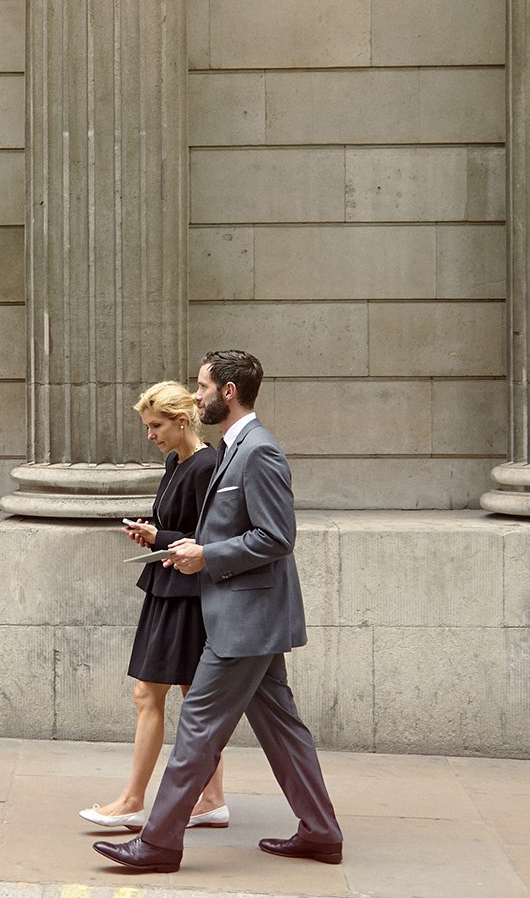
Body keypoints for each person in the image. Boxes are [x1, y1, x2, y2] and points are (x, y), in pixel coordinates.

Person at [93, 350, 344, 873]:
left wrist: (206, 555)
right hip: (248, 617)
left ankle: (158, 843)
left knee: (199, 726)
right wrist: (179, 545)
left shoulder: (259, 451)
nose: (198, 394)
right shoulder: (235, 449)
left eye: (203, 386)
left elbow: (277, 537)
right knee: (283, 730)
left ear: (229, 392)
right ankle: (321, 832)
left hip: (246, 621)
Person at [79, 381, 228, 832]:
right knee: (187, 695)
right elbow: (175, 522)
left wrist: (157, 538)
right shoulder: (175, 461)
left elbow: (211, 537)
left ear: (183, 420)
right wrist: (152, 531)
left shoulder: (207, 465)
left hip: (186, 592)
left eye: (156, 425)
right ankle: (213, 799)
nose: (151, 435)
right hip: (168, 587)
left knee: (152, 694)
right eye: (148, 426)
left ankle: (132, 801)